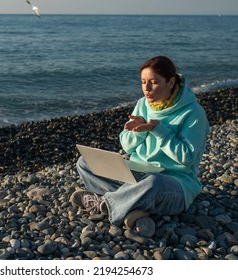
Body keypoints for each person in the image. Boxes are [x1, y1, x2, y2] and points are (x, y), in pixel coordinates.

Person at [70, 55, 210, 228]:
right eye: (143, 82)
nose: (147, 88)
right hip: (138, 173)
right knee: (85, 162)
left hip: (174, 183)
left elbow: (186, 158)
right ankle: (132, 203)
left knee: (153, 182)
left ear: (171, 82)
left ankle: (107, 204)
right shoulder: (143, 104)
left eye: (154, 82)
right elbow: (127, 146)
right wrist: (139, 133)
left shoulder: (193, 113)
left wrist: (158, 130)